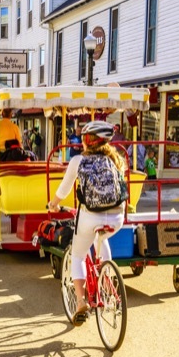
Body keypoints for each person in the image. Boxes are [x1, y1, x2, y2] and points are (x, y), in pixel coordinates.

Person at [46, 120, 127, 327]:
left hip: (91, 216)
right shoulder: (116, 160)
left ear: (87, 141)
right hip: (117, 217)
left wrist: (53, 205)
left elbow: (63, 190)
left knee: (79, 255)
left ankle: (81, 302)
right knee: (102, 237)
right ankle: (107, 278)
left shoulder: (78, 161)